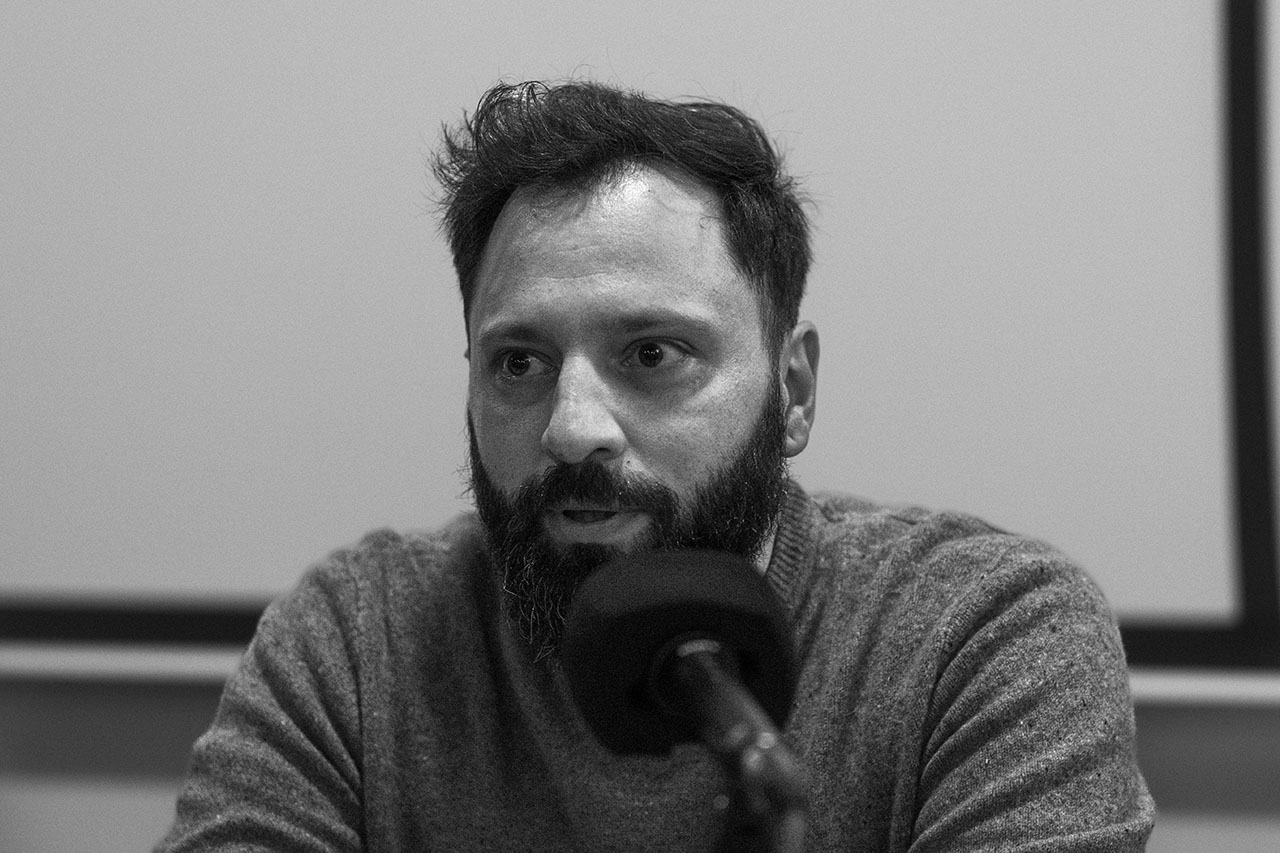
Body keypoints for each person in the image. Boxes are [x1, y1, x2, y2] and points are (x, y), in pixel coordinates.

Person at [156, 80, 1155, 851]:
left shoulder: (980, 635)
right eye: (519, 362)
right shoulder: (356, 642)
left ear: (793, 389)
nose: (572, 429)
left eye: (650, 354)